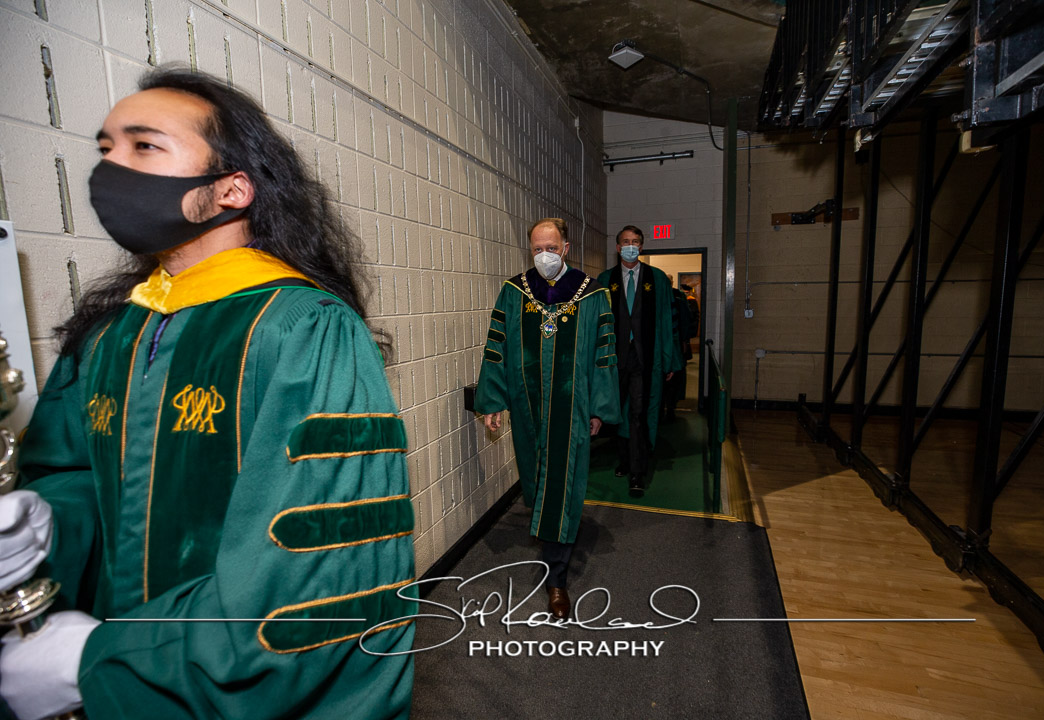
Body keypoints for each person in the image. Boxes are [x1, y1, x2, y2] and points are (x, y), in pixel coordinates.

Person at [0, 69, 414, 720]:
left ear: (231, 189)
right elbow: (80, 476)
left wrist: (100, 661)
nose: (110, 166)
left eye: (144, 145)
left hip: (236, 690)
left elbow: (313, 574)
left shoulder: (302, 329)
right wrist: (48, 522)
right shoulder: (111, 335)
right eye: (106, 147)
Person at [474, 218, 620, 619]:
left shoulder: (592, 295)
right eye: (537, 248)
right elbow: (496, 348)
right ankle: (551, 546)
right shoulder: (513, 293)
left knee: (563, 486)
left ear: (566, 248)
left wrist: (598, 409)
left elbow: (604, 353)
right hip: (526, 410)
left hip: (571, 411)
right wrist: (493, 401)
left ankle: (557, 579)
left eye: (551, 248)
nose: (544, 256)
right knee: (537, 483)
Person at [597, 225, 683, 496]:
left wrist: (668, 360)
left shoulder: (657, 279)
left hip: (645, 358)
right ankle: (623, 459)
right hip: (614, 358)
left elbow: (668, 322)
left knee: (638, 412)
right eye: (625, 242)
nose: (630, 246)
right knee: (616, 412)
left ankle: (637, 471)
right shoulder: (605, 279)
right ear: (618, 247)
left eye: (635, 242)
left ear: (642, 247)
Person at [663, 275, 693, 420]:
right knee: (674, 379)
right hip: (675, 343)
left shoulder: (674, 297)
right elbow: (686, 321)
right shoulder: (678, 297)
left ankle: (667, 407)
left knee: (670, 378)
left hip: (672, 343)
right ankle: (670, 408)